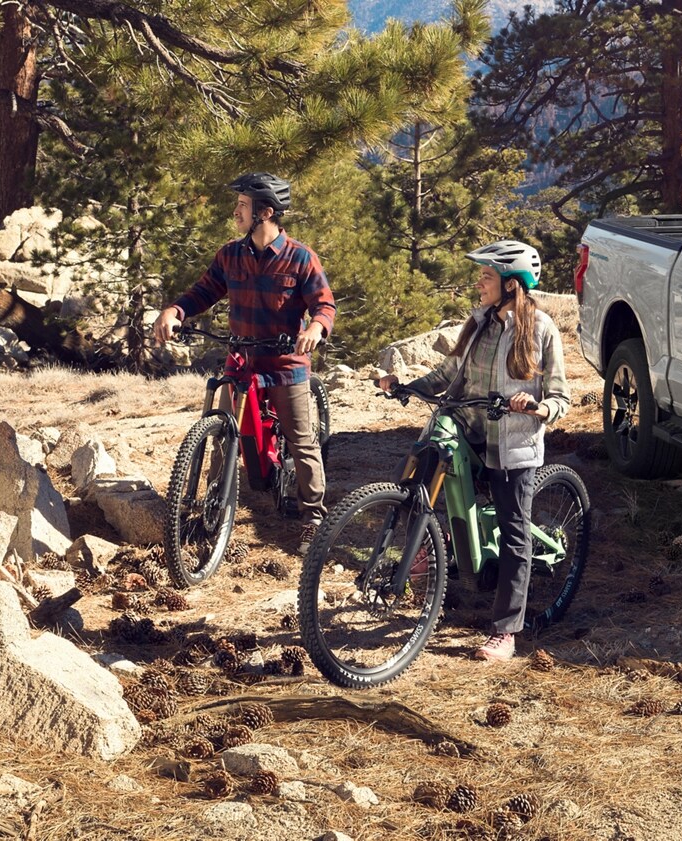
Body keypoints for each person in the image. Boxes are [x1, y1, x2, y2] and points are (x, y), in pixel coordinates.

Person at [378, 240, 570, 661]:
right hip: (468, 428)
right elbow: (449, 373)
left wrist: (537, 406)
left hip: (512, 443)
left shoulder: (541, 329)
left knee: (516, 532)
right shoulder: (479, 321)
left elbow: (561, 397)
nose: (478, 283)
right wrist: (409, 387)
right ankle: (424, 551)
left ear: (511, 283)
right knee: (420, 465)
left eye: (486, 276)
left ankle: (506, 632)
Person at [153, 172, 336, 542]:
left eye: (242, 205)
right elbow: (203, 292)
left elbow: (324, 304)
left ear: (265, 212)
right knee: (223, 435)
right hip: (242, 361)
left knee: (302, 441)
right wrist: (175, 311)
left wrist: (315, 328)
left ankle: (314, 517)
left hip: (286, 365)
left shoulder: (300, 258)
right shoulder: (230, 255)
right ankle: (212, 506)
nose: (235, 211)